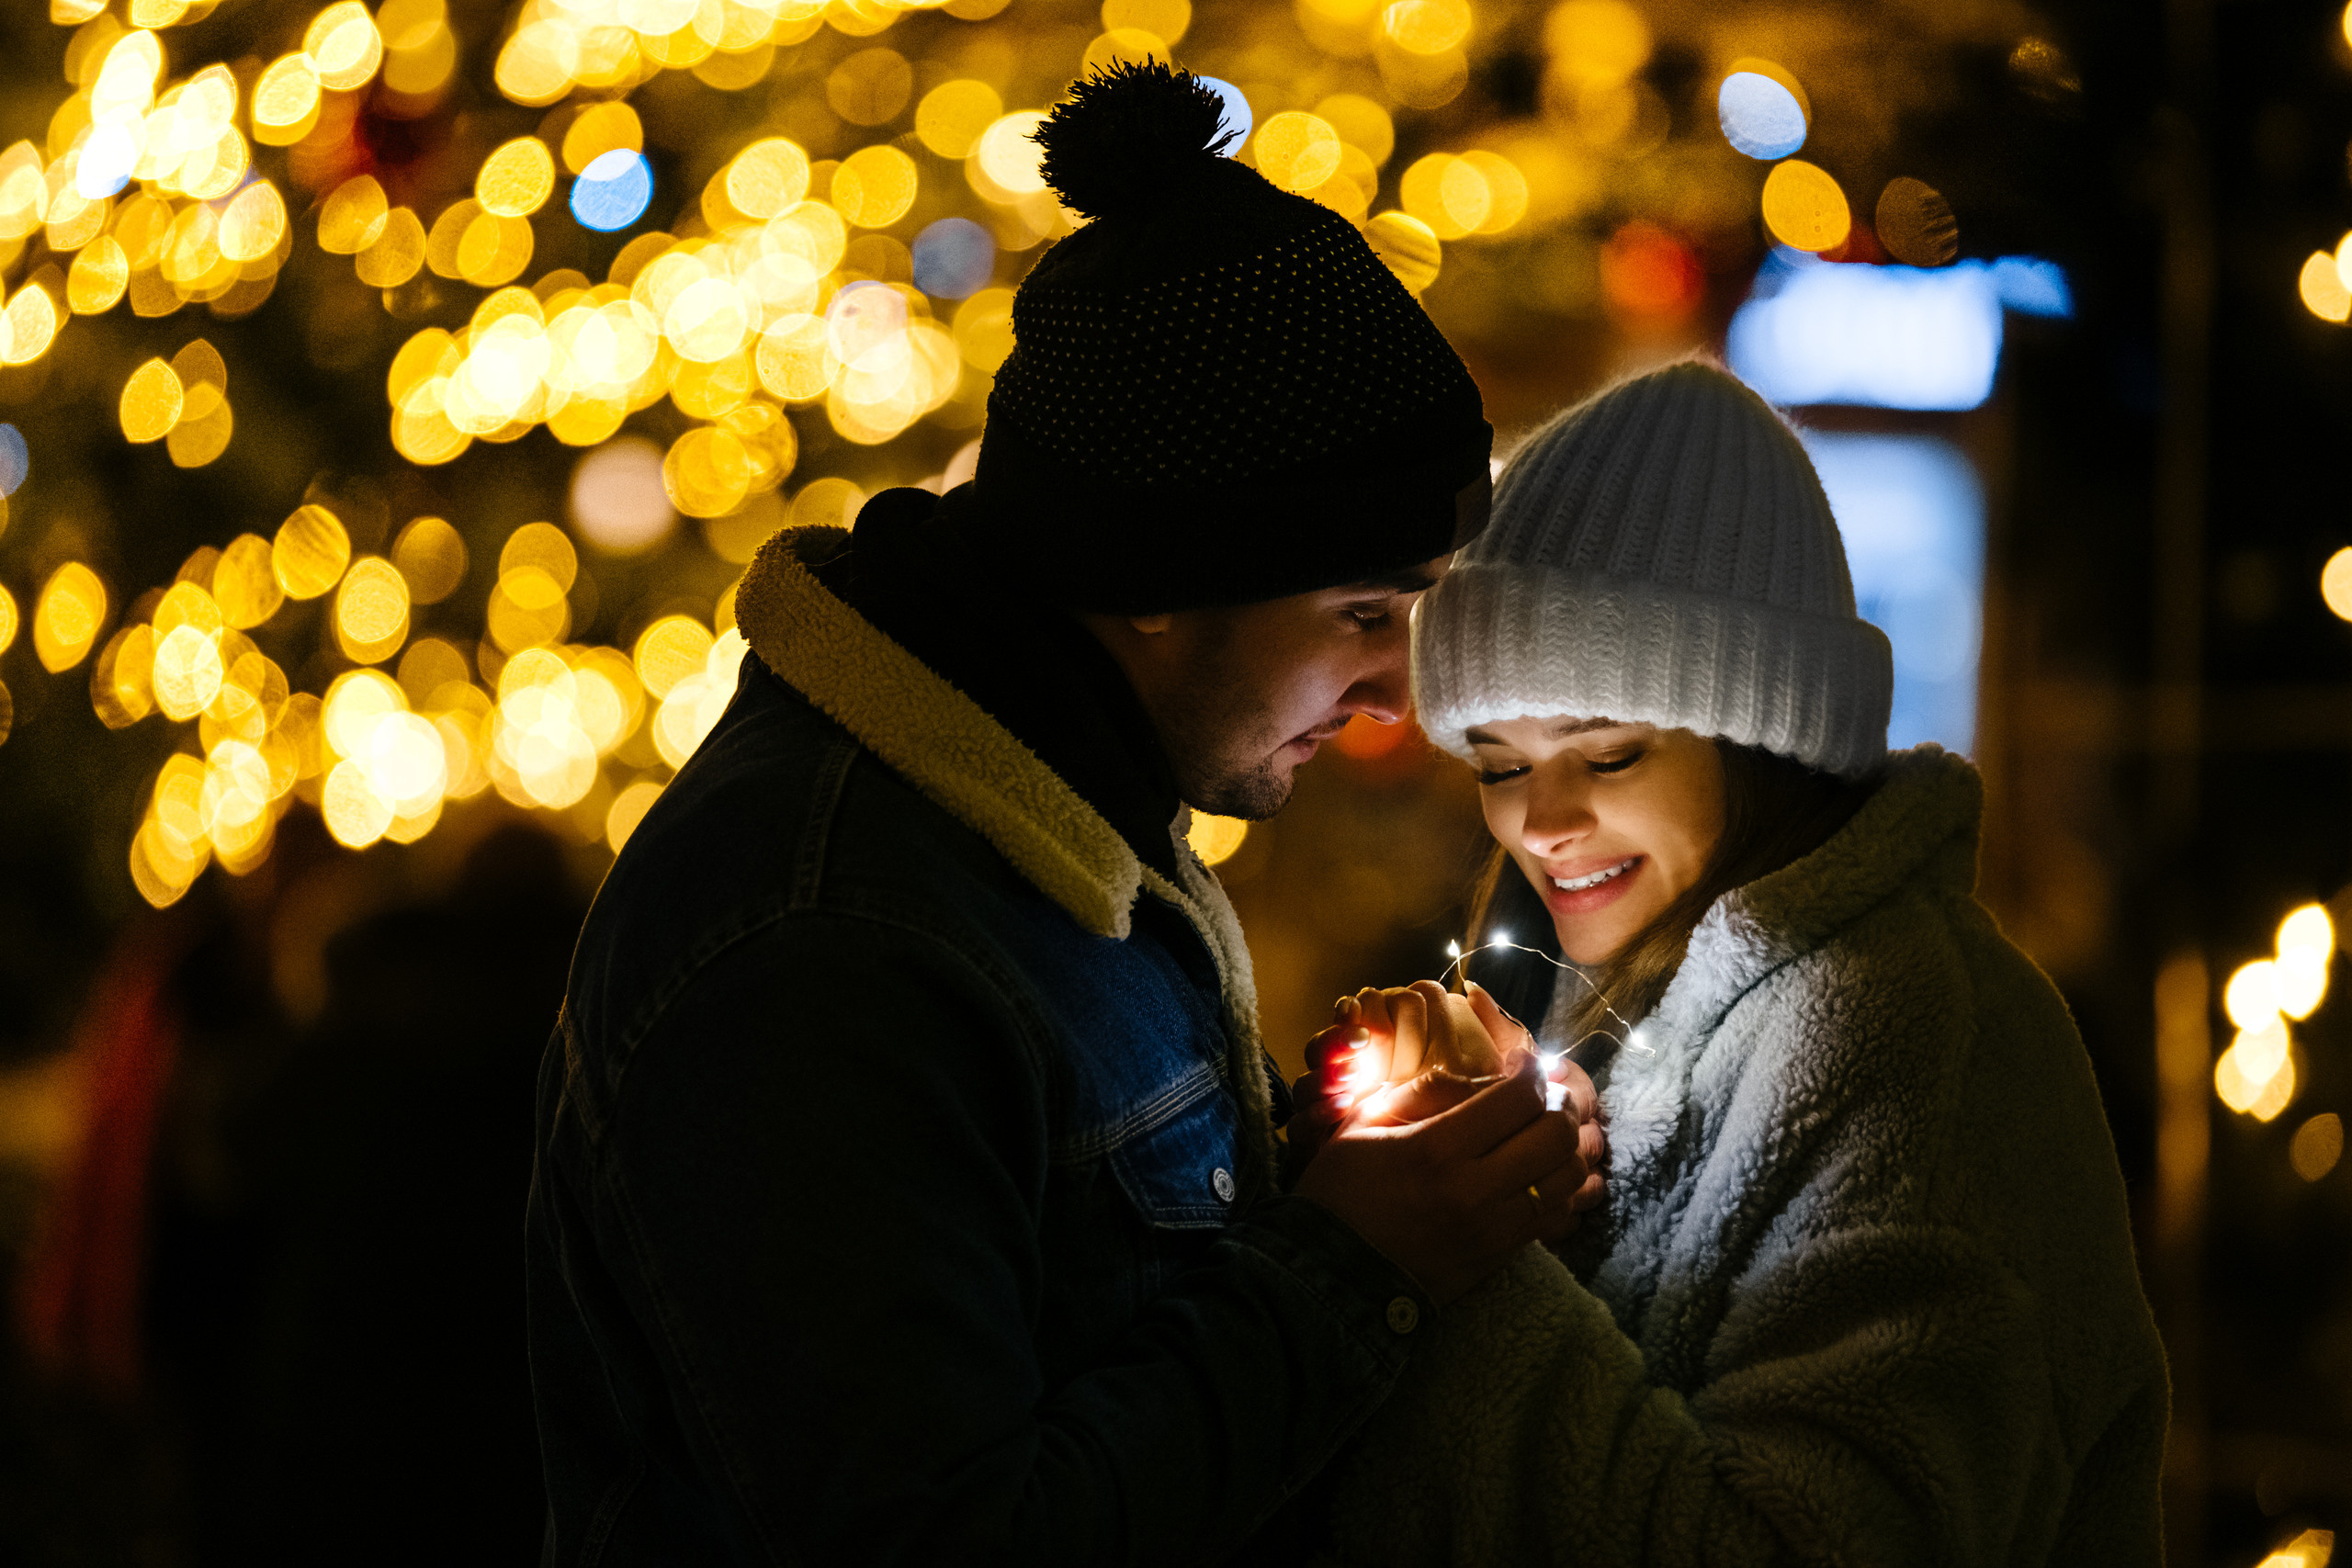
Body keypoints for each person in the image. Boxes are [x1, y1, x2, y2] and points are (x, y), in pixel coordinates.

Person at [525, 64, 1600, 1566]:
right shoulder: (828, 943)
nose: (1395, 695)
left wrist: (1342, 1161)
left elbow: (1078, 1310)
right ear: (1159, 577)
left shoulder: (1052, 813)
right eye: (1363, 610)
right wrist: (1357, 1260)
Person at [1297, 361, 2169, 1564]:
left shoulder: (1905, 1036)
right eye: (1499, 765)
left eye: (1606, 757)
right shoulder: (1573, 988)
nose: (1542, 822)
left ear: (1760, 736)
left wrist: (1466, 1252)